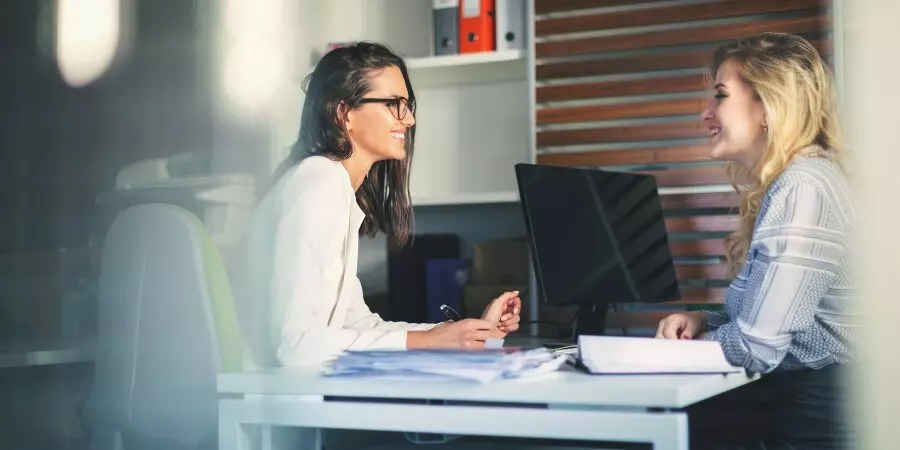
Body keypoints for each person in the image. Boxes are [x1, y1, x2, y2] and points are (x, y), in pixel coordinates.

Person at [229, 42, 521, 368]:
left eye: (408, 105)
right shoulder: (316, 183)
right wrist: (431, 341)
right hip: (268, 404)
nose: (408, 119)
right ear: (344, 113)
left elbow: (357, 327)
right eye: (394, 104)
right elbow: (296, 345)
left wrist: (463, 333)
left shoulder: (332, 186)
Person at [655, 33, 856, 449]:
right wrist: (705, 322)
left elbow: (758, 346)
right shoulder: (807, 178)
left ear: (767, 107)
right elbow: (786, 318)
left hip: (822, 414)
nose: (705, 115)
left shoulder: (802, 186)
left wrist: (653, 358)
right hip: (820, 402)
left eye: (721, 97)